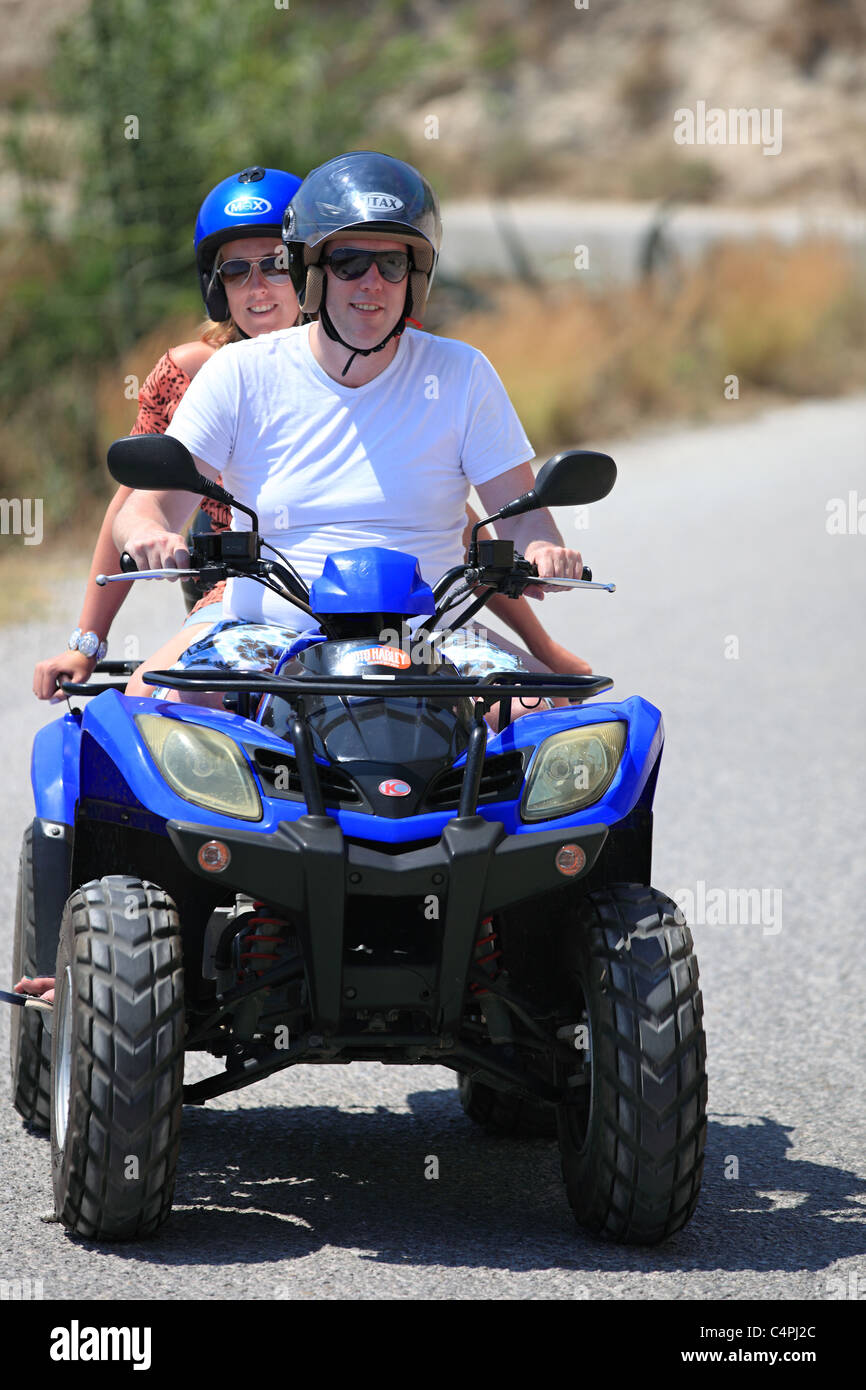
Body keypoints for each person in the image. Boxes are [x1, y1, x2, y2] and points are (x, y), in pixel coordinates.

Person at [113, 151, 586, 714]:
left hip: (427, 634)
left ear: (415, 280)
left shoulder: (462, 373)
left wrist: (542, 548)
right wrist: (149, 535)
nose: (372, 284)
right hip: (267, 630)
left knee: (549, 722)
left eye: (392, 266)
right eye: (351, 263)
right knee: (151, 710)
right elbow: (145, 509)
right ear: (311, 273)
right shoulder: (240, 373)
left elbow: (523, 514)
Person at [32, 165, 304, 702]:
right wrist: (87, 642)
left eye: (276, 265)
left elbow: (448, 520)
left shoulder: (360, 368)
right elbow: (132, 502)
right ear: (215, 286)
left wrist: (527, 638)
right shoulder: (190, 373)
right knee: (144, 707)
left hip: (355, 597)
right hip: (237, 596)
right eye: (235, 271)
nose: (257, 288)